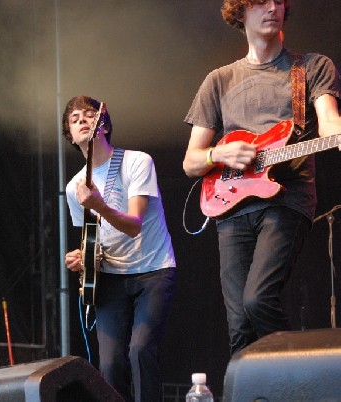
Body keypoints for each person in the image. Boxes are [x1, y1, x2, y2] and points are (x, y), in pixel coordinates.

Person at [183, 0, 341, 356]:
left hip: (288, 197)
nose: (272, 8)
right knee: (239, 324)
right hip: (231, 205)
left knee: (258, 299)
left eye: (279, 1)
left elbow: (329, 123)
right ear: (239, 12)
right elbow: (191, 162)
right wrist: (217, 154)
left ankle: (292, 383)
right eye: (260, 2)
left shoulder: (311, 67)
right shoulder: (219, 80)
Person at [63, 95, 177, 402]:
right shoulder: (74, 187)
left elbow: (134, 224)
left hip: (153, 271)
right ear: (70, 136)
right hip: (110, 278)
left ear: (103, 123)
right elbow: (91, 238)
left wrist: (99, 204)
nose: (82, 121)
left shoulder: (137, 162)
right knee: (110, 364)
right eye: (74, 120)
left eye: (88, 115)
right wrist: (80, 258)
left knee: (140, 350)